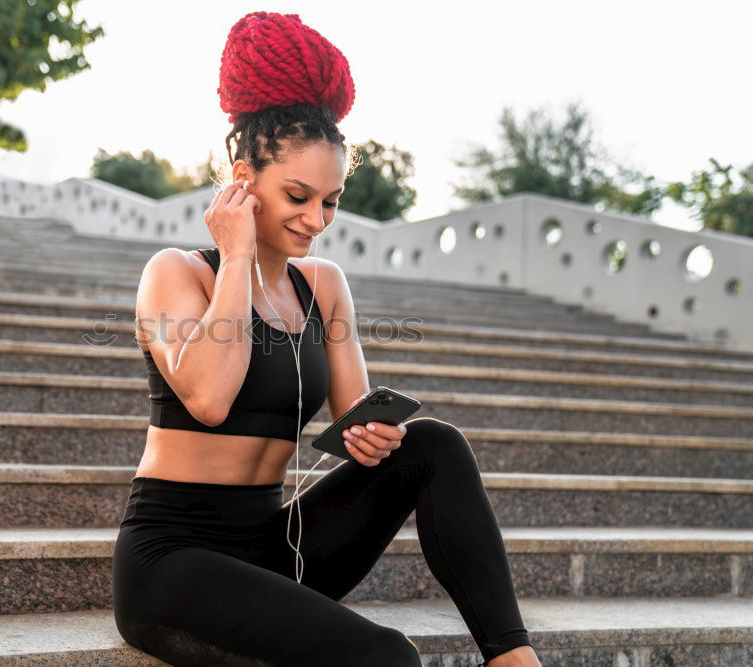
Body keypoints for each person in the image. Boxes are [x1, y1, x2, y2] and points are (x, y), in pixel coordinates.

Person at [113, 11, 541, 667]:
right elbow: (207, 398)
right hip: (175, 559)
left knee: (432, 444)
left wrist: (373, 435)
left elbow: (352, 423)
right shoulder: (177, 273)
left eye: (332, 200)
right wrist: (235, 259)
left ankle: (514, 659)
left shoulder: (325, 286)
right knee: (385, 656)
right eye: (297, 195)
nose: (317, 220)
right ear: (242, 177)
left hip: (278, 545)